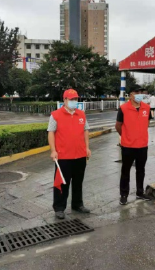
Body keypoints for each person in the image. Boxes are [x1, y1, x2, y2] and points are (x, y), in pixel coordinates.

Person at [48, 89, 92, 219]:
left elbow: (85, 131)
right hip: (63, 156)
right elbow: (51, 132)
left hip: (80, 155)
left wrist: (87, 148)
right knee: (62, 183)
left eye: (76, 99)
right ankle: (59, 208)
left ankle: (77, 204)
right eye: (71, 99)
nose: (74, 102)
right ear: (65, 100)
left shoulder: (81, 114)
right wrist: (53, 150)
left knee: (78, 182)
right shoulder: (55, 115)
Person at [115, 85, 153, 205]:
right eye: (137, 92)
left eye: (141, 92)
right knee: (125, 171)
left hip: (142, 145)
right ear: (130, 94)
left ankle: (140, 192)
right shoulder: (123, 108)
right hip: (128, 146)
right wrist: (126, 136)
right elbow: (118, 125)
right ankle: (124, 195)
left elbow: (147, 123)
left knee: (140, 170)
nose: (139, 94)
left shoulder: (146, 108)